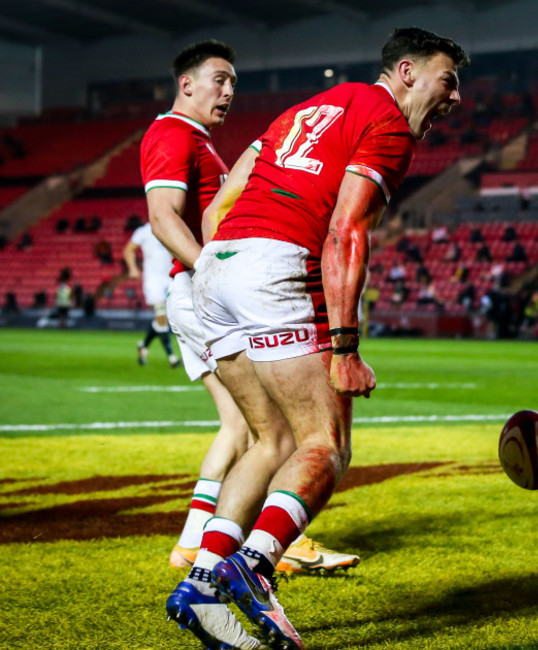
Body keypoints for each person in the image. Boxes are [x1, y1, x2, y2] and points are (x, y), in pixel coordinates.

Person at [170, 27, 468, 650]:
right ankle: (252, 568)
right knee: (325, 444)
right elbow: (345, 233)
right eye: (449, 80)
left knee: (268, 438)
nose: (456, 97)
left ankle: (201, 585)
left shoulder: (306, 108)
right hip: (275, 265)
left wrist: (224, 266)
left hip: (215, 268)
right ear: (408, 72)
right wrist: (346, 347)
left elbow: (220, 202)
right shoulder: (386, 122)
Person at [142, 39, 355, 622]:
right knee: (285, 431)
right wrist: (208, 268)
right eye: (218, 80)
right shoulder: (171, 135)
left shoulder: (199, 142)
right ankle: (263, 546)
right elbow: (162, 217)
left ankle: (203, 548)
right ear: (186, 84)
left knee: (257, 430)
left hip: (206, 284)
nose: (229, 91)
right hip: (207, 284)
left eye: (234, 81)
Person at [122, 221, 181, 368]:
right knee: (161, 316)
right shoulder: (144, 231)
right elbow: (129, 249)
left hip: (170, 278)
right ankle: (171, 356)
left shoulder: (170, 226)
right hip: (153, 280)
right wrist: (133, 269)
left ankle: (143, 345)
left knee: (164, 319)